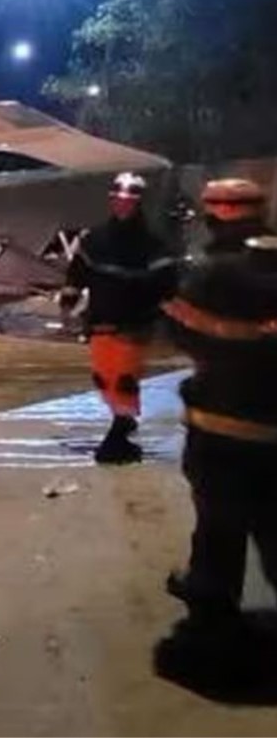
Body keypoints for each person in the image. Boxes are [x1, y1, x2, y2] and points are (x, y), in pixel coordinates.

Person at [157, 228, 277, 693]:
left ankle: (211, 610)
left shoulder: (213, 282)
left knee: (217, 525)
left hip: (219, 435)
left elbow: (177, 329)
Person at [59, 171, 178, 464]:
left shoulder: (153, 246)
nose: (122, 205)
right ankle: (122, 424)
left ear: (139, 204)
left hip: (134, 323)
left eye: (129, 200)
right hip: (101, 320)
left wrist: (169, 316)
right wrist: (68, 302)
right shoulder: (94, 240)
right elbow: (77, 274)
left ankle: (120, 432)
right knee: (105, 377)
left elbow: (167, 285)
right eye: (117, 199)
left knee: (123, 378)